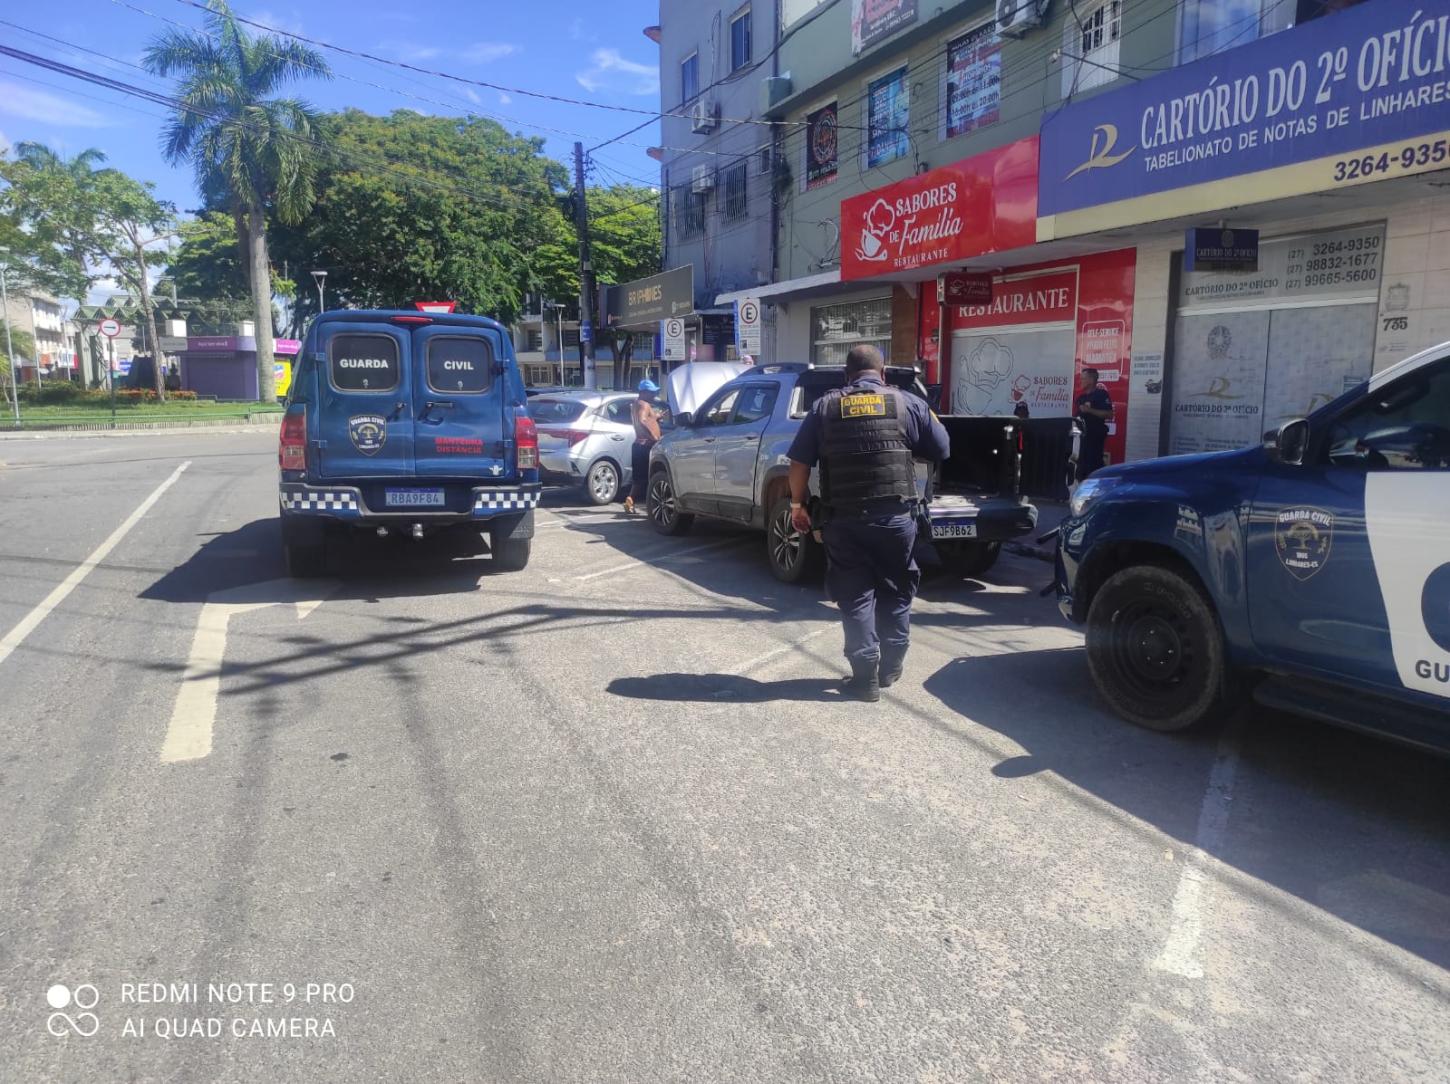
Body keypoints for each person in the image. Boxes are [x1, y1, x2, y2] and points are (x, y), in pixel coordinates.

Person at [786, 345, 950, 702]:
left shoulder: (825, 406)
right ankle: (891, 666)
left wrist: (798, 505)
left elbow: (798, 464)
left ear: (847, 376)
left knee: (855, 594)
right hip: (894, 518)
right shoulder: (908, 403)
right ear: (883, 374)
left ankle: (865, 678)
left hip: (844, 519)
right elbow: (942, 447)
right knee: (896, 588)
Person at [622, 379, 662, 515]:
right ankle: (649, 505)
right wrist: (654, 437)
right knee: (649, 477)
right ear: (643, 392)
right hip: (645, 445)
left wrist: (655, 417)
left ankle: (630, 501)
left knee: (639, 478)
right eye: (651, 392)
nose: (654, 395)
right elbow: (642, 421)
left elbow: (645, 419)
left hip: (639, 445)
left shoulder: (637, 404)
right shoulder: (644, 405)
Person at [1073, 367, 1114, 481]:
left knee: (1093, 467)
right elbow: (1076, 417)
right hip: (1082, 439)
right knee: (1080, 469)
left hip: (1095, 437)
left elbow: (1109, 414)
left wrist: (1090, 410)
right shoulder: (1081, 398)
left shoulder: (1101, 394)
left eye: (1083, 379)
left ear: (1091, 380)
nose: (1080, 381)